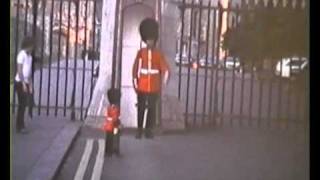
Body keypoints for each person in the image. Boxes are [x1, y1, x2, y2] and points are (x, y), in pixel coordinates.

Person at [132, 18, 170, 139]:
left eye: (152, 40)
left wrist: (164, 79)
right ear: (145, 39)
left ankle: (148, 130)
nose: (150, 42)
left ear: (154, 40)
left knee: (152, 110)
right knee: (141, 108)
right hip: (142, 84)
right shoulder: (140, 52)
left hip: (154, 85)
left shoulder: (158, 54)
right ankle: (139, 130)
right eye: (148, 40)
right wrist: (135, 81)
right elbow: (135, 67)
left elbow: (164, 67)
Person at [14, 36, 35, 134]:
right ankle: (19, 126)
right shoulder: (21, 55)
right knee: (22, 104)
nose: (32, 48)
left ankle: (21, 124)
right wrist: (23, 84)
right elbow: (19, 71)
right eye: (31, 46)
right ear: (27, 45)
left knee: (24, 104)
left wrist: (30, 85)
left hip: (26, 82)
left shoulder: (30, 57)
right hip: (19, 82)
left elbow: (29, 72)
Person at [102, 88, 121, 156]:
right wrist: (118, 123)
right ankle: (114, 150)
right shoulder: (114, 107)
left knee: (109, 138)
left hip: (109, 126)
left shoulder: (110, 106)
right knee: (115, 136)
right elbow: (115, 117)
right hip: (114, 126)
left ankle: (108, 150)